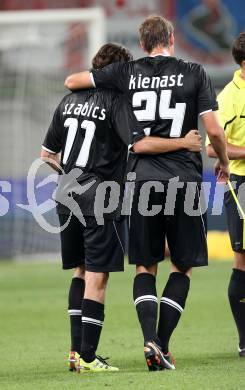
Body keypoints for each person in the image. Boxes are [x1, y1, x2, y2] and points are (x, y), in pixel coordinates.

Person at [64, 15, 230, 371]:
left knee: (145, 265)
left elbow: (73, 80)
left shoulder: (127, 72)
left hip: (141, 182)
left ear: (142, 43)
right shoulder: (194, 71)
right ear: (171, 38)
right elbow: (214, 130)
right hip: (184, 179)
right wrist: (224, 160)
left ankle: (148, 340)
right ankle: (160, 345)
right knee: (183, 266)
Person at [41, 42, 202, 373]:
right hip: (100, 197)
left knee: (80, 271)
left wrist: (72, 175)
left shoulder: (67, 101)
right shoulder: (116, 102)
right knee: (98, 279)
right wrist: (185, 142)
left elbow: (46, 155)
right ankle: (88, 358)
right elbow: (140, 143)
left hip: (65, 195)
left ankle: (75, 352)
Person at [206, 32, 245, 358]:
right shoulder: (229, 98)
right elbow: (211, 147)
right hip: (241, 184)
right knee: (243, 259)